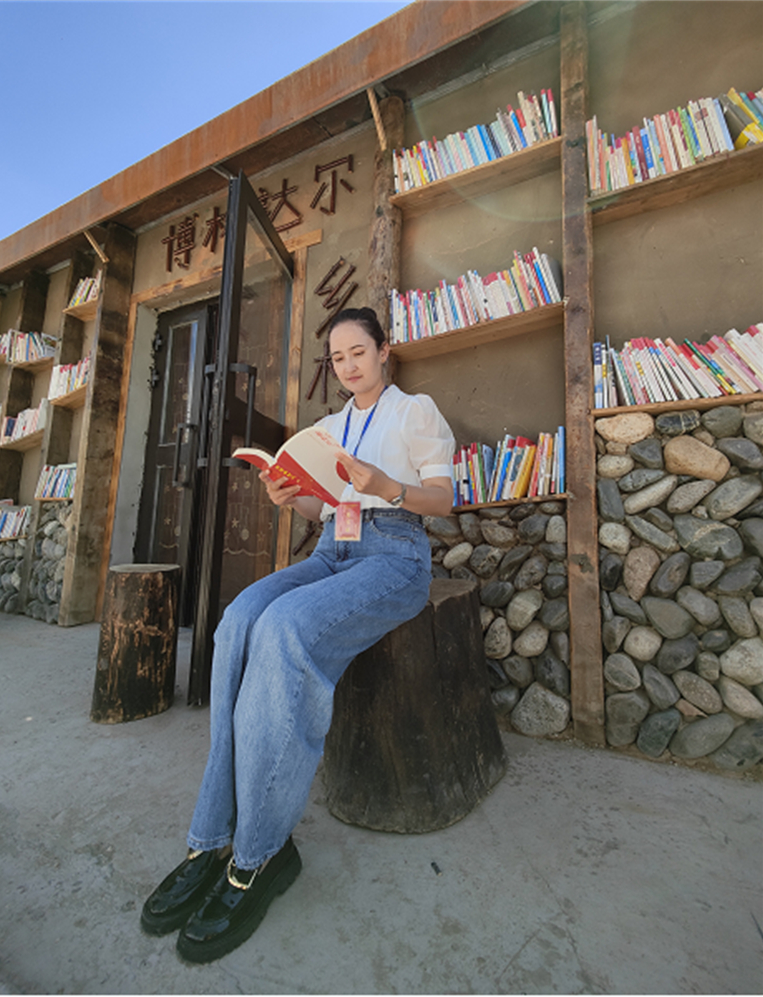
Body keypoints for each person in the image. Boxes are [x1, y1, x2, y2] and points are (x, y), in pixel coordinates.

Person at [141, 306, 455, 964]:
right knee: (237, 621)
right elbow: (325, 505)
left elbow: (442, 498)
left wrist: (389, 486)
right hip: (332, 550)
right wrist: (291, 497)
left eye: (359, 351)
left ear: (384, 350)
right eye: (338, 357)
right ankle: (211, 838)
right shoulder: (330, 428)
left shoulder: (413, 411)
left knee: (284, 627)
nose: (348, 365)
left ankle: (260, 852)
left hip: (395, 558)